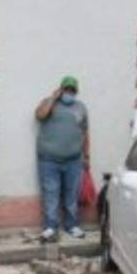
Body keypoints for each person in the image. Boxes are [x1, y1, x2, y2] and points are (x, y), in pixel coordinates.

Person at [34, 75, 89, 242]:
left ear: (76, 92)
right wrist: (52, 98)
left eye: (72, 90)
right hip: (49, 160)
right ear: (61, 89)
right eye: (66, 89)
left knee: (72, 194)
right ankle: (51, 227)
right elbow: (40, 115)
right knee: (51, 194)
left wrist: (87, 156)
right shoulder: (49, 103)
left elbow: (85, 133)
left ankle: (72, 225)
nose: (69, 93)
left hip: (73, 160)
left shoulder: (81, 108)